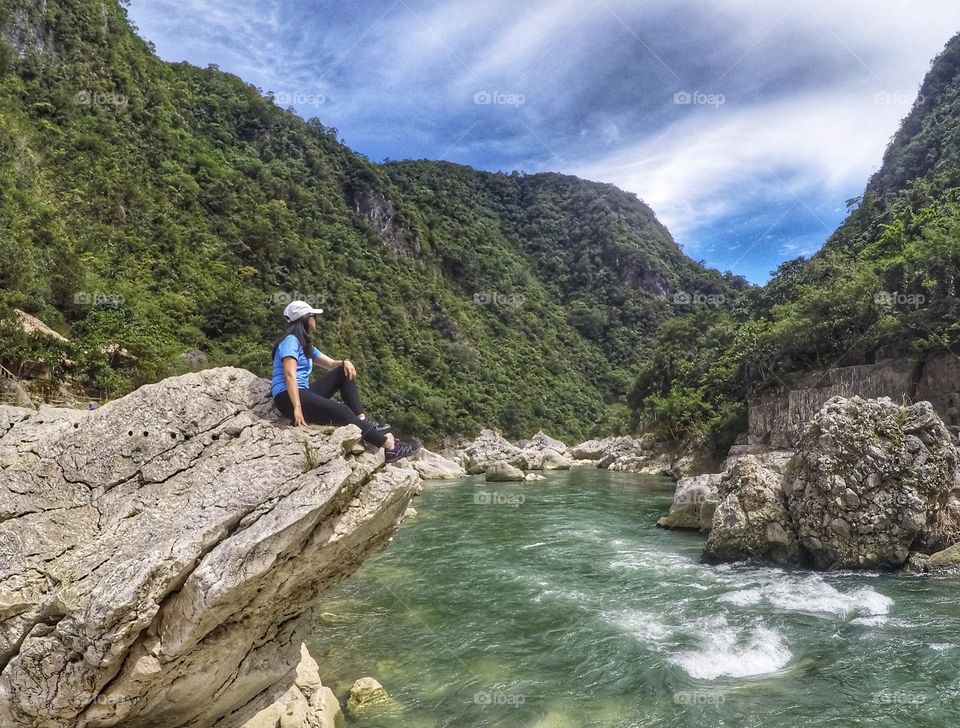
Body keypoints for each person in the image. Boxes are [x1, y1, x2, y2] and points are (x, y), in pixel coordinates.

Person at [271, 300, 421, 464]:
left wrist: (344, 362)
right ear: (306, 318)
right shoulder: (290, 341)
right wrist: (297, 408)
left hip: (302, 392)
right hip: (287, 397)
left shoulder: (304, 345)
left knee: (343, 370)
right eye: (314, 316)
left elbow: (329, 363)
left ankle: (362, 419)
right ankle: (391, 447)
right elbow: (289, 374)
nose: (315, 320)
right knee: (341, 410)